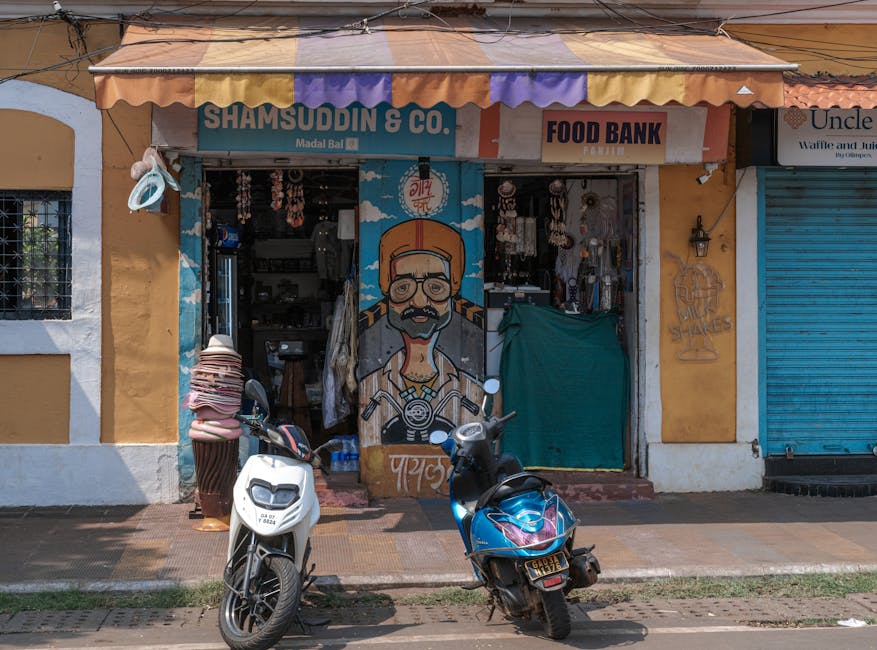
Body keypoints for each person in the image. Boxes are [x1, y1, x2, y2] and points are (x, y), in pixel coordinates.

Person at [360, 219, 482, 444]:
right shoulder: (370, 386)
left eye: (435, 288)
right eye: (403, 288)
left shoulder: (469, 388)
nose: (418, 301)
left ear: (451, 296)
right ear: (388, 297)